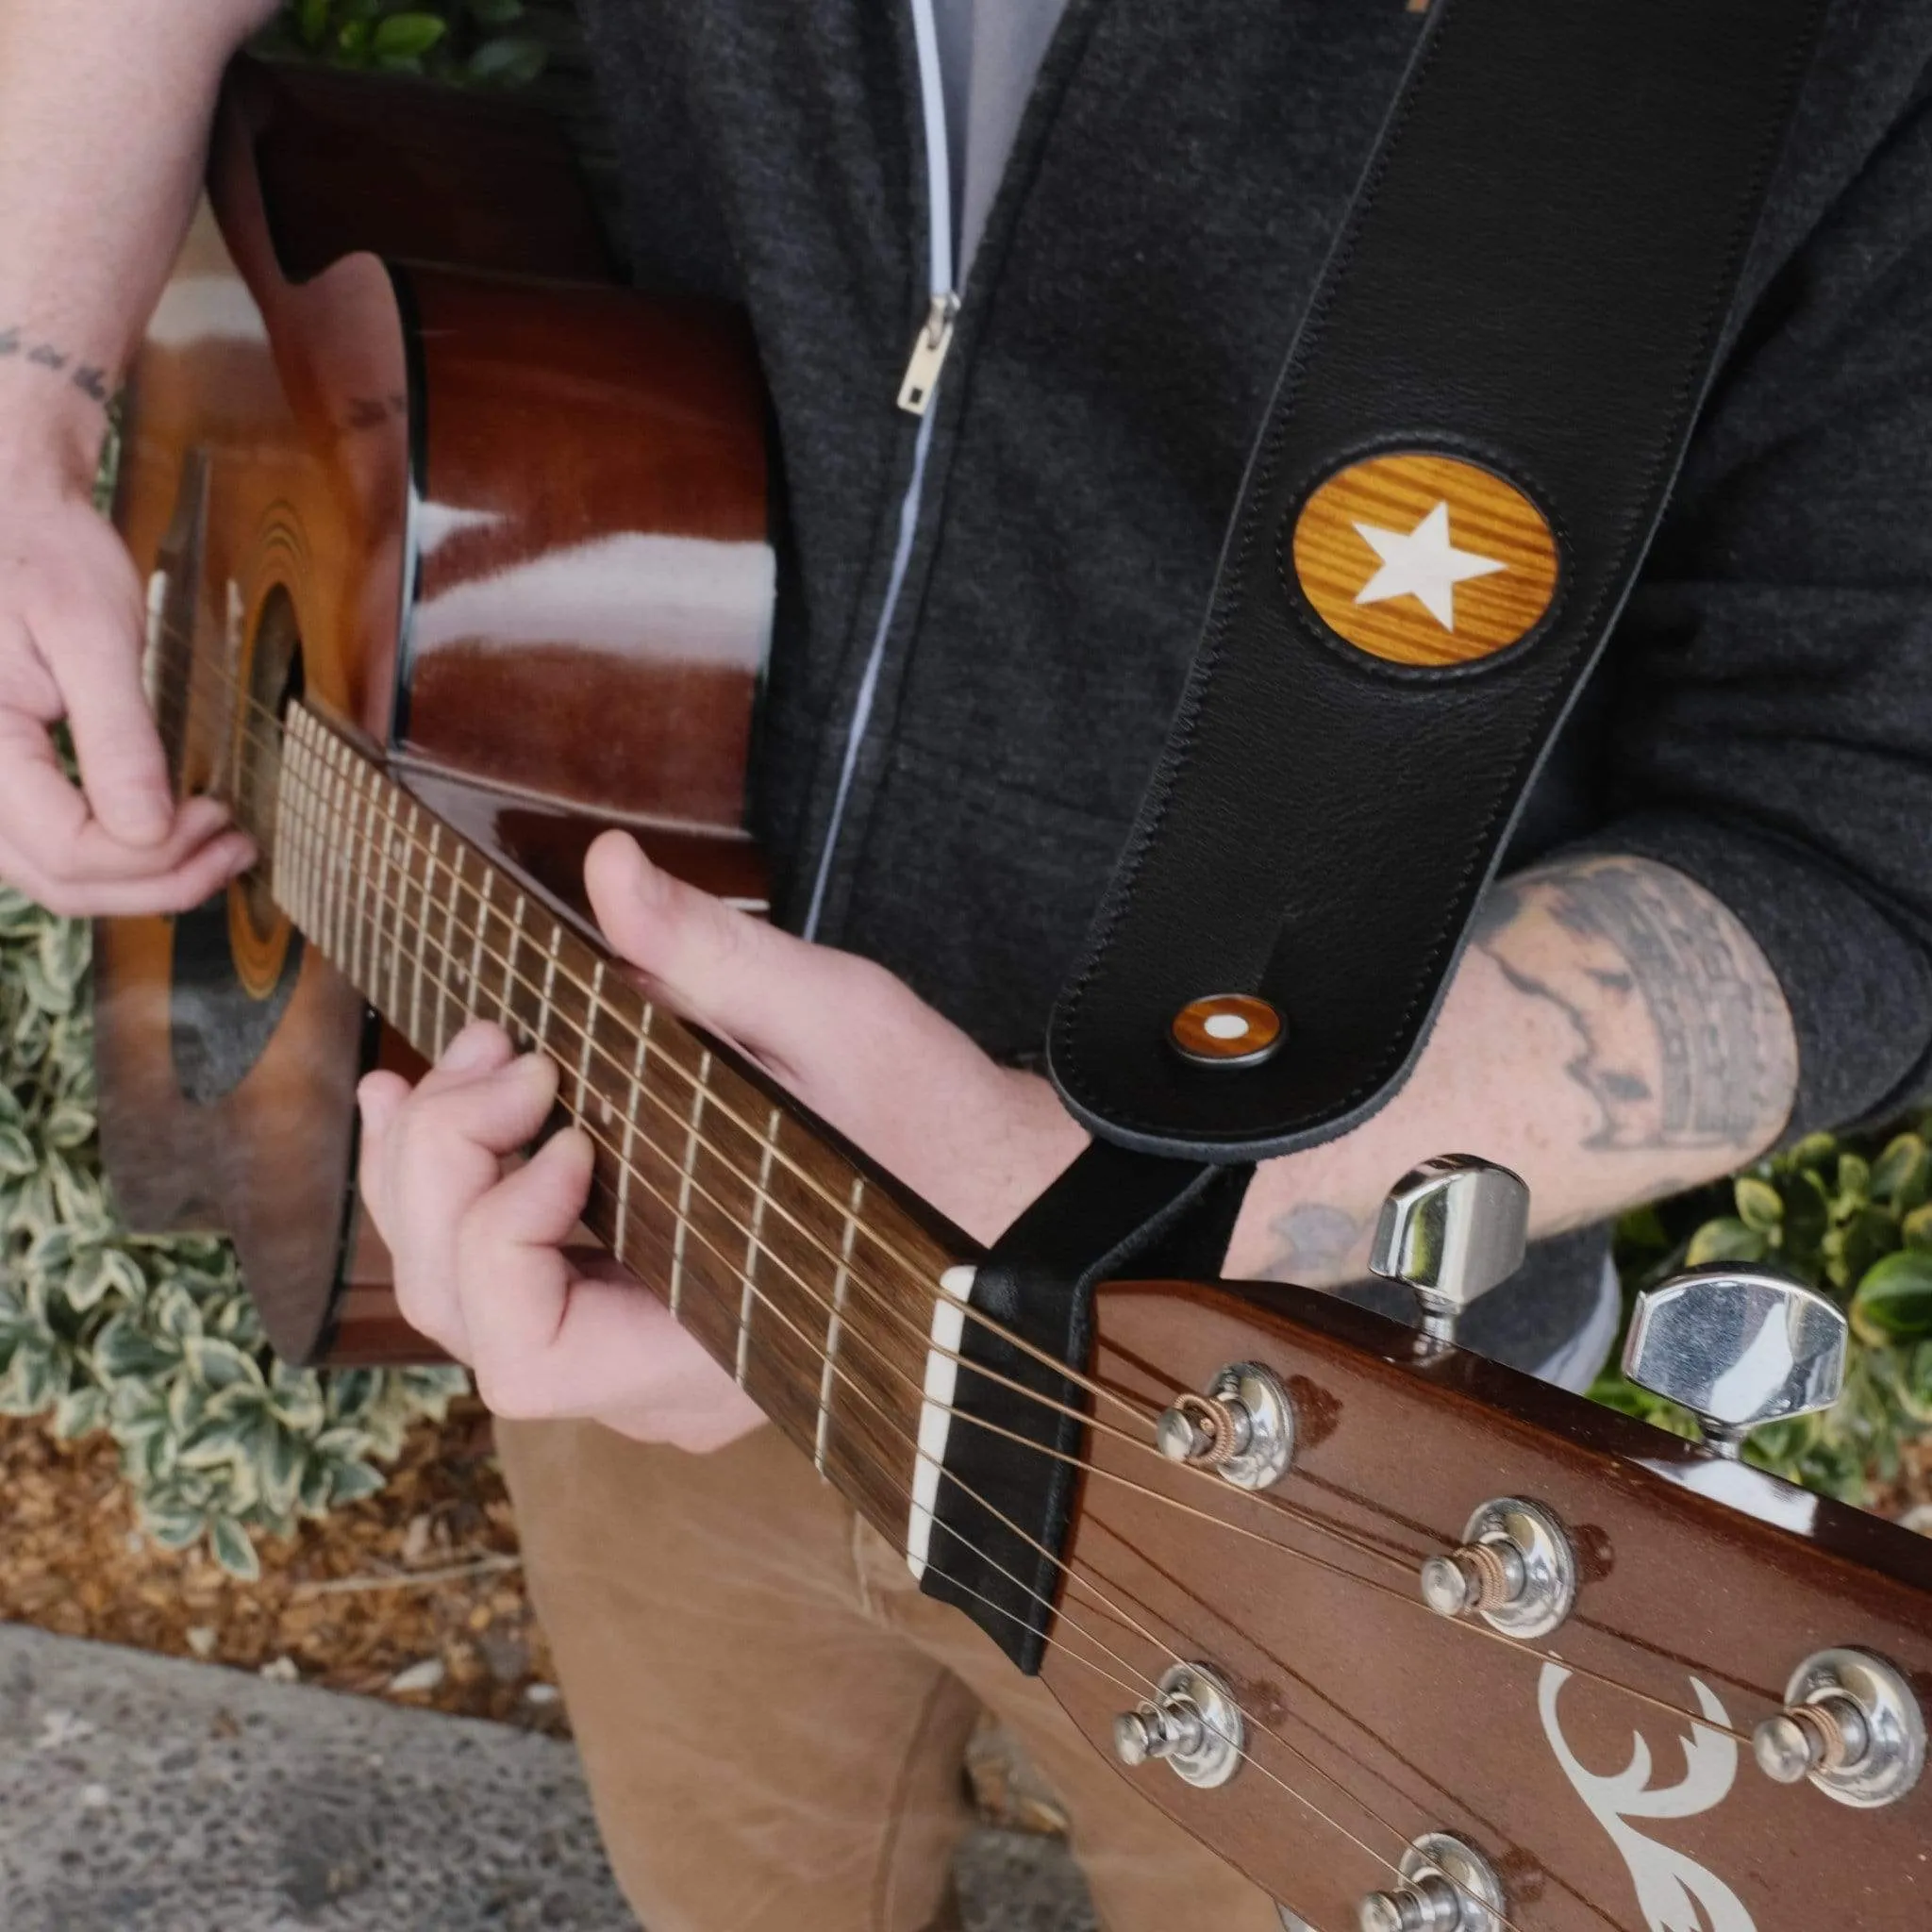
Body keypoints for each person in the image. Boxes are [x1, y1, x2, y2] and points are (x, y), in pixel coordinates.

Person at [5, 1, 1930, 1925]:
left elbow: (1859, 831)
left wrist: (1141, 1205)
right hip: (634, 1269)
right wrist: (27, 401)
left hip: (1312, 1465)